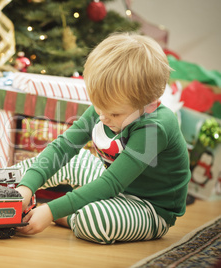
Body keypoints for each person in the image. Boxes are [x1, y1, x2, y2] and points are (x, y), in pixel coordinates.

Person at [15, 32, 191, 244]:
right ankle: (8, 193)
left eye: (115, 114)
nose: (103, 117)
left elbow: (111, 183)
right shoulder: (106, 109)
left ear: (149, 105)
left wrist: (51, 211)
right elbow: (64, 147)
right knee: (67, 160)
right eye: (98, 107)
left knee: (95, 220)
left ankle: (69, 216)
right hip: (113, 186)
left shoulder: (155, 128)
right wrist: (27, 186)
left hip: (148, 208)